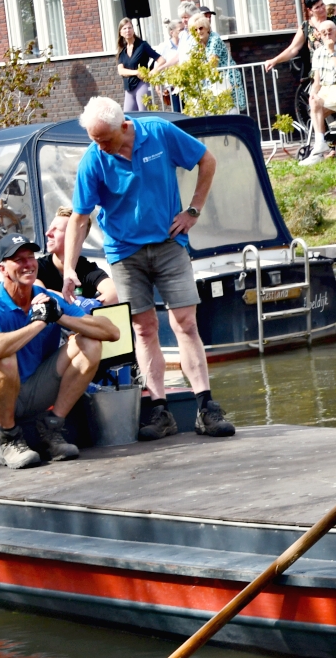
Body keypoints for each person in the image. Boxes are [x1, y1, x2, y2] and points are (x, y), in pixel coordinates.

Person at [65, 98, 232, 440]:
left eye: (104, 140)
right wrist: (69, 267)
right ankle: (160, 409)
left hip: (170, 243)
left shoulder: (158, 133)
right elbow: (80, 218)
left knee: (185, 321)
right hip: (125, 253)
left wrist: (194, 210)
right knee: (143, 328)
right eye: (94, 140)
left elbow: (206, 160)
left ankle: (206, 407)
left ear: (123, 126)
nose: (99, 146)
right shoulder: (94, 159)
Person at [0, 233, 121, 470]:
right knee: (5, 359)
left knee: (91, 343)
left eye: (31, 257)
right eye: (19, 260)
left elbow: (111, 331)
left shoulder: (49, 299)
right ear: (3, 268)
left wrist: (58, 315)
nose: (28, 264)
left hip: (32, 391)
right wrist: (38, 324)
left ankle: (52, 429)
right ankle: (9, 439)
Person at [40, 206, 118, 305]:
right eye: (50, 228)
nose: (48, 233)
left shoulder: (86, 269)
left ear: (74, 237)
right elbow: (38, 290)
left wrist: (89, 306)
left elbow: (114, 292)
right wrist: (76, 304)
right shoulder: (38, 267)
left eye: (57, 230)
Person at [301, 20, 336, 164]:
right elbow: (317, 81)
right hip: (324, 89)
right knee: (314, 102)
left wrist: (331, 51)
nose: (327, 34)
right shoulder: (317, 52)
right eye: (324, 32)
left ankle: (319, 148)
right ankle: (320, 145)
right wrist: (313, 93)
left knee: (317, 110)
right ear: (319, 36)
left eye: (330, 31)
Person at [116, 18, 158, 112]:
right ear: (120, 32)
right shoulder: (122, 50)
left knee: (143, 113)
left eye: (130, 28)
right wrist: (136, 72)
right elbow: (121, 71)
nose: (128, 31)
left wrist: (151, 73)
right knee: (127, 116)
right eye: (125, 29)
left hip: (141, 84)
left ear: (133, 29)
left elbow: (161, 60)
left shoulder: (142, 45)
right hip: (129, 88)